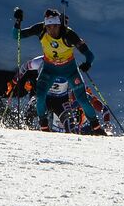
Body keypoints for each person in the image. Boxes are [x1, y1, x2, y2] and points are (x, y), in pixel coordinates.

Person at [12, 7, 106, 135]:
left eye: (55, 27)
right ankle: (44, 127)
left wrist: (87, 64)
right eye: (49, 27)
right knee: (40, 97)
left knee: (82, 99)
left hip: (69, 70)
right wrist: (17, 21)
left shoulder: (69, 35)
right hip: (49, 69)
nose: (51, 30)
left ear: (59, 24)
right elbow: (16, 36)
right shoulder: (41, 29)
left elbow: (89, 54)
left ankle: (96, 128)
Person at [6, 55, 111, 133]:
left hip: (61, 103)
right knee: (32, 108)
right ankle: (26, 131)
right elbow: (25, 66)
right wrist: (14, 81)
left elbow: (103, 109)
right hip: (45, 98)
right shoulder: (42, 61)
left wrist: (106, 124)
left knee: (71, 126)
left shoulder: (70, 70)